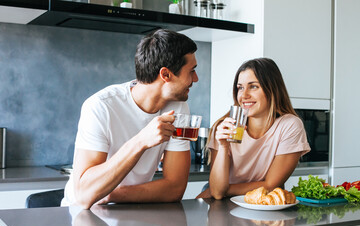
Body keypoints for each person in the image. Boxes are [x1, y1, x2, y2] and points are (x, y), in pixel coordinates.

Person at [61, 29, 198, 209]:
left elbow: (175, 188)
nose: (195, 79)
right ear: (165, 75)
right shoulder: (100, 106)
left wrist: (112, 194)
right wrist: (141, 141)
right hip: (83, 215)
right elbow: (85, 196)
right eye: (192, 71)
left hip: (131, 208)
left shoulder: (178, 108)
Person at [197, 58, 310, 200]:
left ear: (272, 89)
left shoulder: (289, 125)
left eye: (253, 86)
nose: (244, 96)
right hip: (223, 203)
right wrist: (224, 146)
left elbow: (271, 185)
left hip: (261, 202)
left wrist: (223, 189)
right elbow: (217, 192)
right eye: (240, 88)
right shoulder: (224, 127)